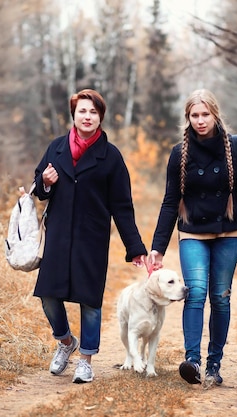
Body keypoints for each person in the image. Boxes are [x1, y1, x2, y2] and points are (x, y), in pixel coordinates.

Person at [147, 88, 237, 387]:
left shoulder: (236, 147)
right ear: (188, 118)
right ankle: (193, 362)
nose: (200, 120)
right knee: (196, 292)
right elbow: (170, 201)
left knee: (221, 298)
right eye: (194, 115)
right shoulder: (179, 153)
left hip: (229, 232)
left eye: (205, 114)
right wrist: (157, 247)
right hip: (192, 234)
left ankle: (214, 363)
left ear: (215, 114)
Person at [32, 88, 147, 384]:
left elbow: (122, 206)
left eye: (93, 112)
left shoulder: (111, 157)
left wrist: (134, 246)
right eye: (82, 111)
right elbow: (39, 187)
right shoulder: (56, 148)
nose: (87, 116)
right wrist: (44, 182)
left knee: (90, 301)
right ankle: (66, 342)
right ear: (74, 115)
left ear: (100, 117)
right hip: (58, 235)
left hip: (92, 238)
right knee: (47, 295)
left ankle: (86, 359)